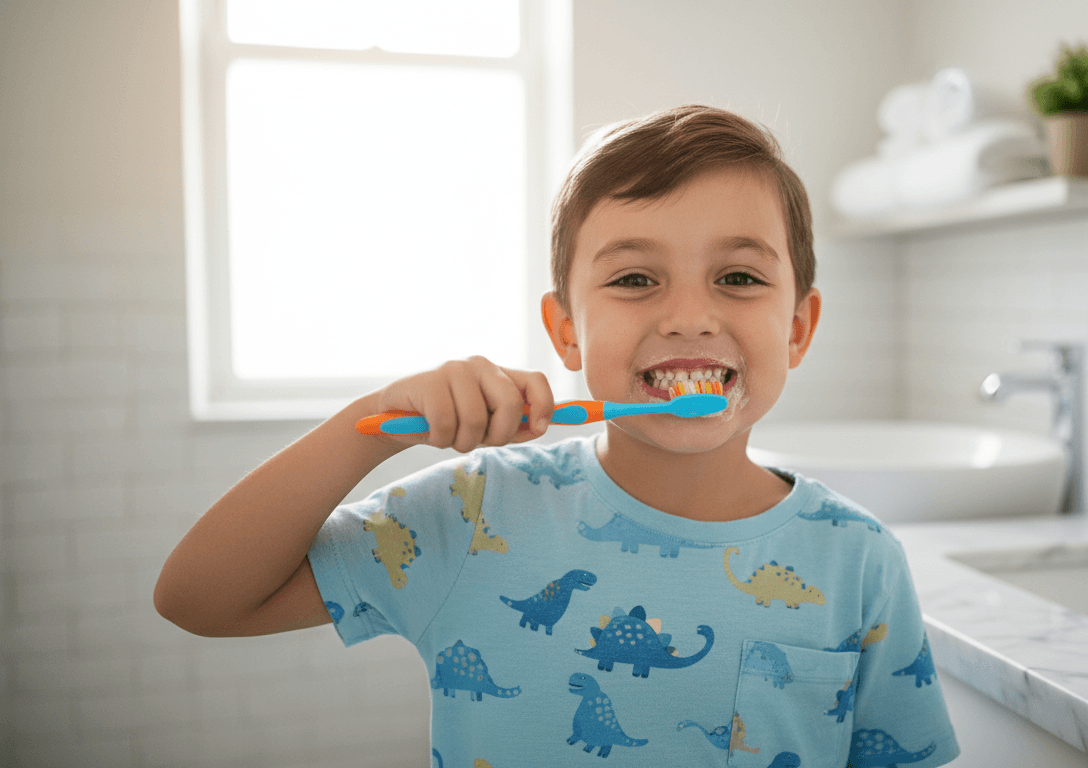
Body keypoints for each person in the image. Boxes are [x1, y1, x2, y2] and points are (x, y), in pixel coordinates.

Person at [156, 104, 959, 767]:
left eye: (740, 277)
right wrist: (374, 427)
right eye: (634, 279)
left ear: (798, 327)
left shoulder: (861, 562)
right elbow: (198, 599)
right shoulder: (475, 515)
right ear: (567, 331)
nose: (688, 315)